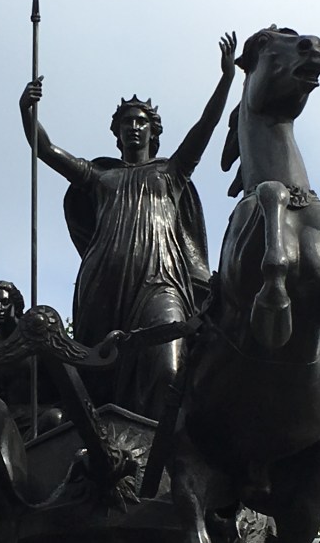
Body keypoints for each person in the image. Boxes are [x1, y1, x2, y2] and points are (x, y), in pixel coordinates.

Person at [19, 33, 237, 419]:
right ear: (117, 133)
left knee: (169, 367)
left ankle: (160, 457)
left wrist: (225, 79)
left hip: (160, 279)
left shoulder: (172, 172)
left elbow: (207, 125)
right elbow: (46, 150)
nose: (134, 127)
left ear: (154, 131)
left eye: (141, 122)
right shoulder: (99, 176)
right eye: (126, 123)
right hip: (104, 280)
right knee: (97, 374)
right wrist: (27, 111)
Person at [0, 280, 64, 439]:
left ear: (15, 305)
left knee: (55, 418)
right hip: (11, 418)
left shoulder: (36, 332)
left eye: (4, 302)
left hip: (45, 411)